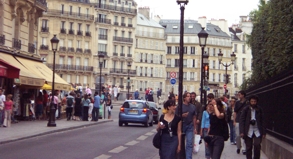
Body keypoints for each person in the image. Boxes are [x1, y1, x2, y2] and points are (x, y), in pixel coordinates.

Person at [240, 95, 266, 159]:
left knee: (257, 145)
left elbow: (263, 121)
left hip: (257, 130)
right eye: (252, 101)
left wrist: (264, 132)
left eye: (254, 101)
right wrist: (242, 131)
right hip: (248, 130)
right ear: (249, 102)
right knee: (249, 147)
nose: (253, 103)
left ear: (256, 102)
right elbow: (242, 120)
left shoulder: (259, 109)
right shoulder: (246, 109)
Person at [176, 92, 197, 159]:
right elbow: (176, 116)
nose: (189, 97)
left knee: (189, 143)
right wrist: (182, 116)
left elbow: (194, 117)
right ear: (184, 98)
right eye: (188, 96)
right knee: (180, 143)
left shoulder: (193, 107)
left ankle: (188, 157)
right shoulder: (180, 106)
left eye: (190, 96)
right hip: (181, 125)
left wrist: (195, 128)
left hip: (190, 126)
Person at [234, 90, 248, 155]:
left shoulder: (247, 102)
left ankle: (244, 148)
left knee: (244, 135)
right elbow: (235, 112)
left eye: (239, 95)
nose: (238, 96)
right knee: (238, 135)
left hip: (245, 120)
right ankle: (238, 147)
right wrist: (234, 120)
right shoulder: (237, 103)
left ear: (243, 95)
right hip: (238, 120)